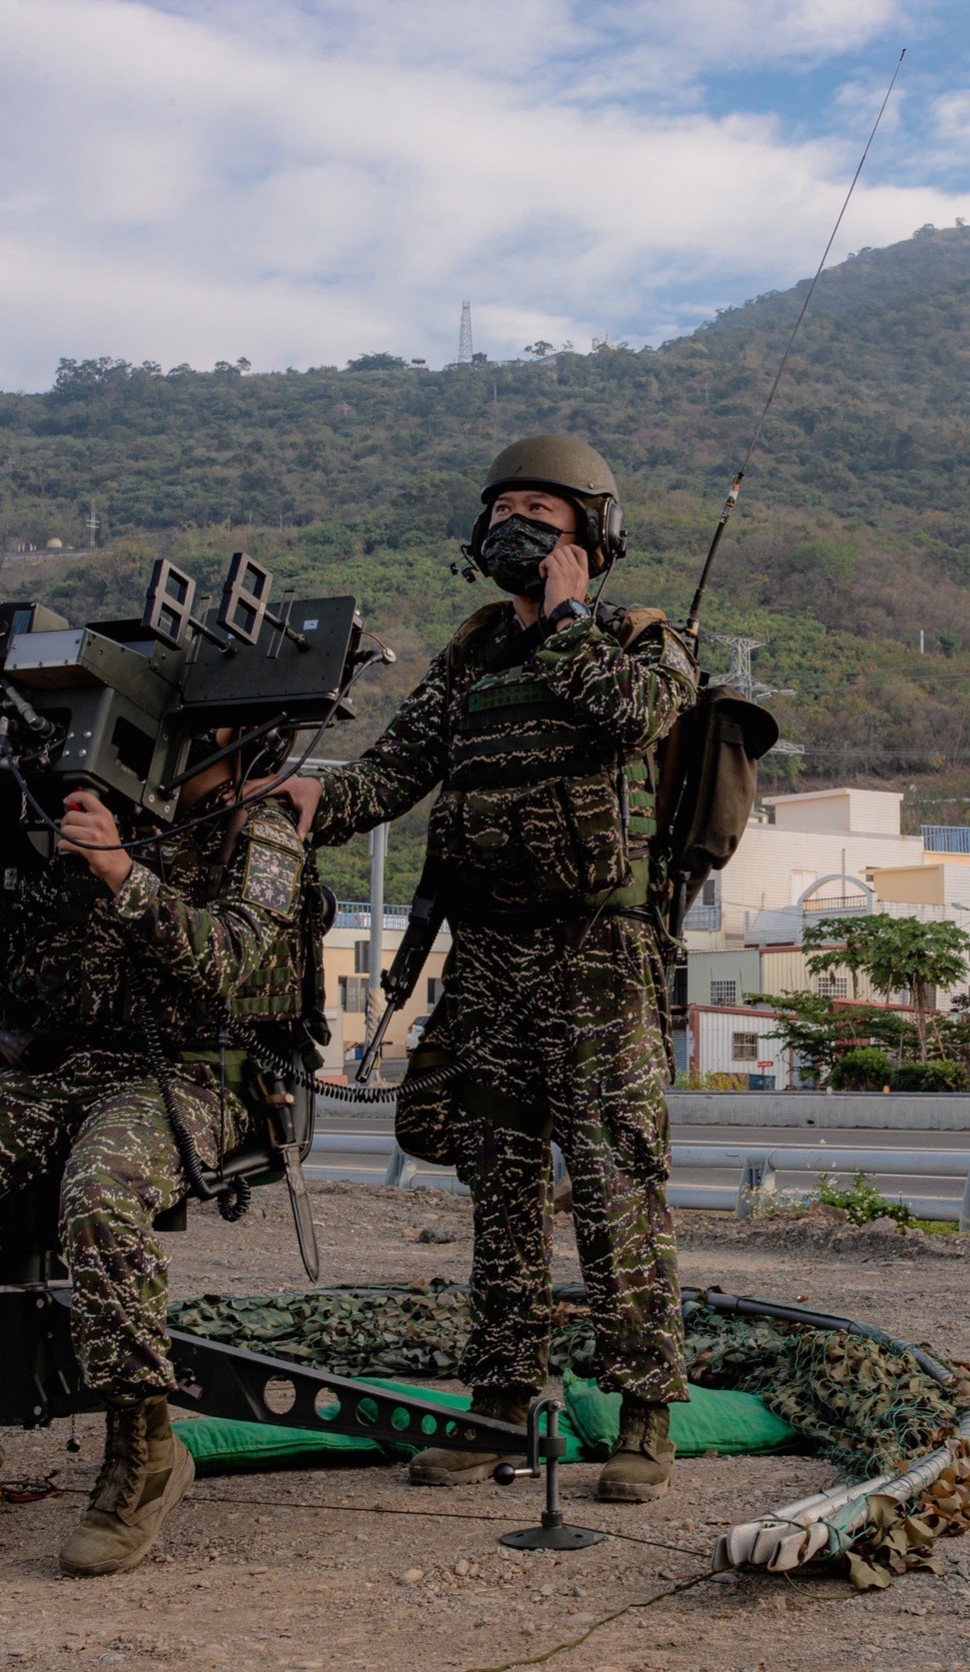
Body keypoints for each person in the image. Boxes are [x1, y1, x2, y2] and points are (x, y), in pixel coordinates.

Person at [257, 435, 698, 1503]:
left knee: (613, 1183)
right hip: (492, 958)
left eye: (540, 510)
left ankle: (644, 1418)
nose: (515, 526)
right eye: (500, 510)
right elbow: (394, 772)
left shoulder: (647, 643)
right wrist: (310, 801)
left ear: (590, 532)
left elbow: (633, 717)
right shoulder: (468, 663)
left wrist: (566, 618)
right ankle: (500, 1403)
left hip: (600, 955)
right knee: (501, 1192)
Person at [0, 741, 314, 1574]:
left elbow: (239, 961)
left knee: (101, 1191)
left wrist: (124, 875)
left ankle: (144, 1458)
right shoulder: (89, 816)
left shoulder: (256, 821)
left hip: (197, 1074)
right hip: (63, 1071)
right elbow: (44, 982)